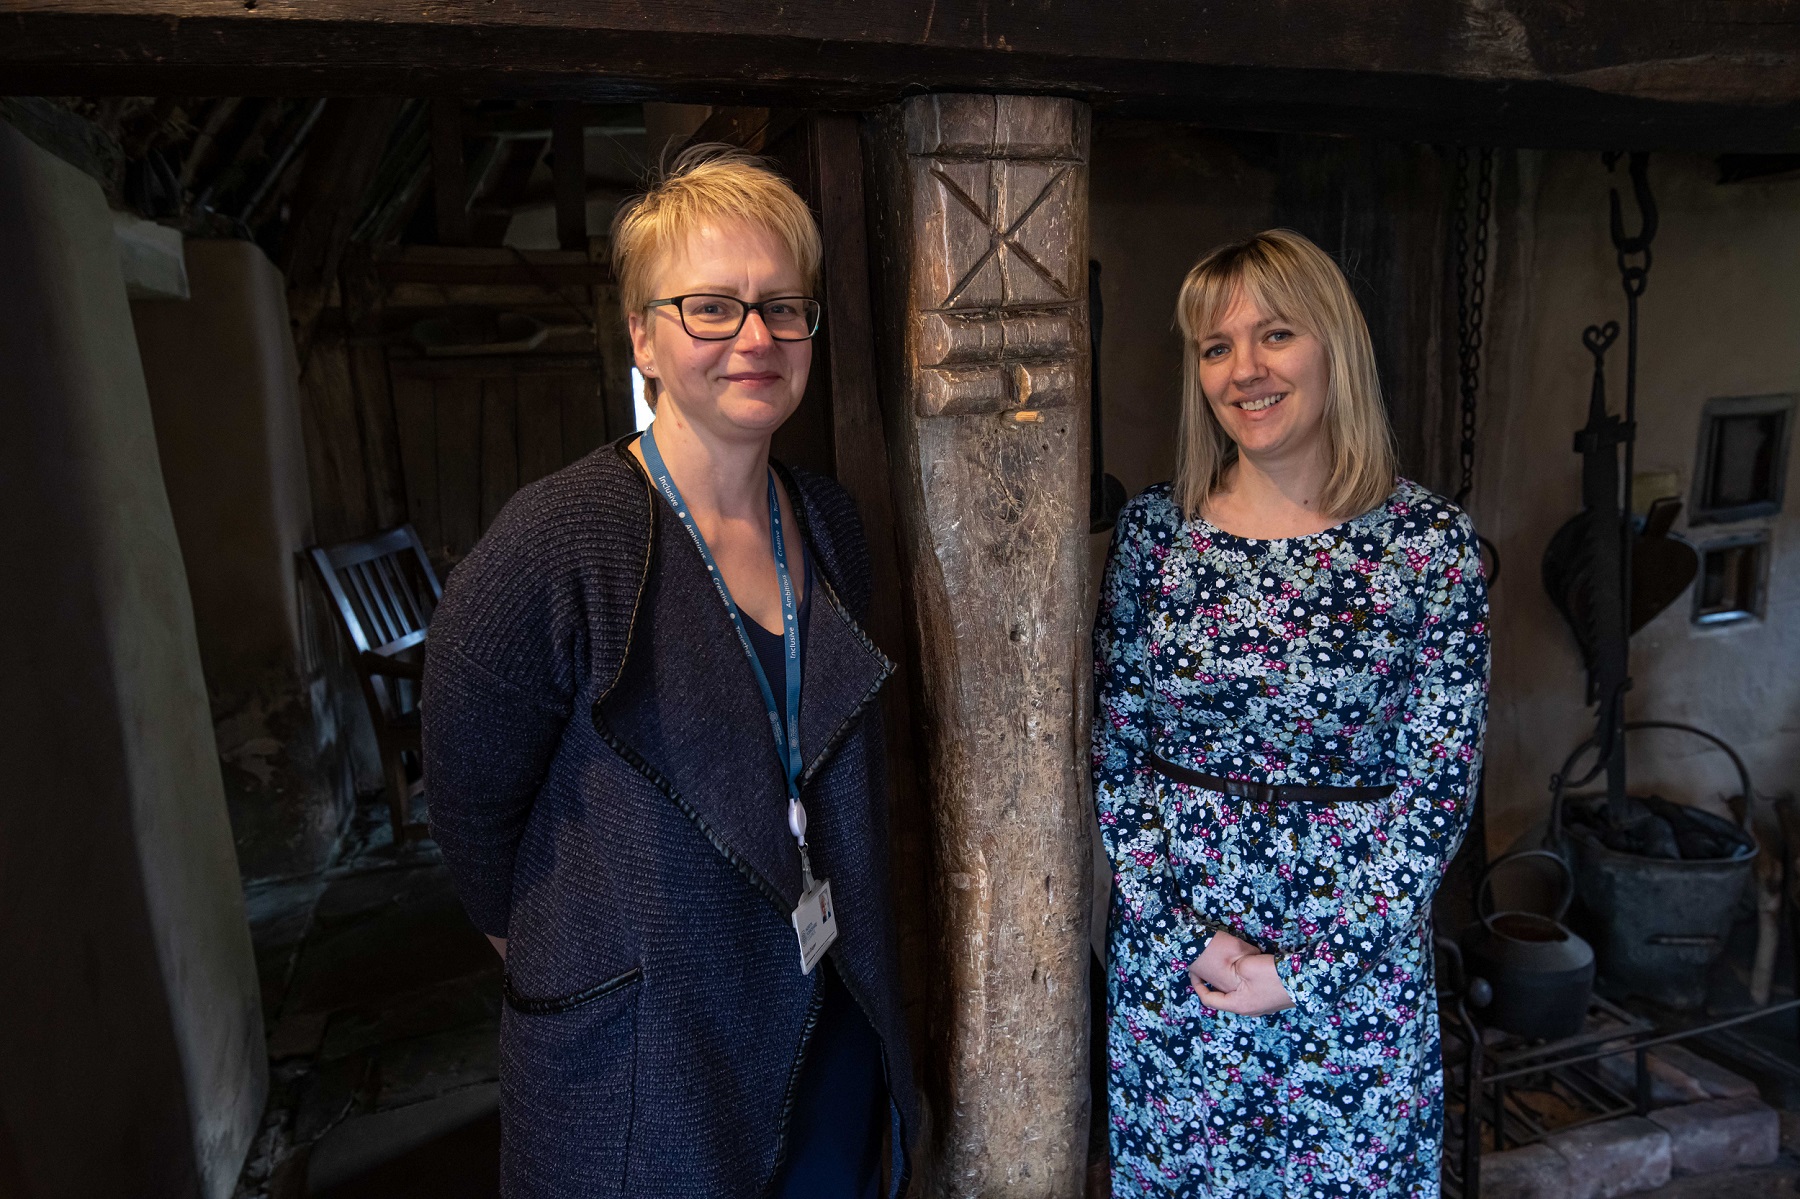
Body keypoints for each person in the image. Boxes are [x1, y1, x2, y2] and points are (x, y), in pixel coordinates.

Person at [423, 145, 916, 1199]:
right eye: (712, 307)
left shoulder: (825, 522)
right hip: (654, 1061)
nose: (756, 336)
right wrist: (588, 963)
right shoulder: (559, 539)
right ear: (642, 335)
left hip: (824, 1018)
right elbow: (470, 807)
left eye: (785, 307)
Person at [1093, 229, 1490, 1198]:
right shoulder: (1157, 530)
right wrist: (1184, 928)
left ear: (1333, 348)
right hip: (1181, 955)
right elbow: (1116, 749)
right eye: (1216, 346)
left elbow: (1438, 787)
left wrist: (1313, 965)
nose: (1245, 369)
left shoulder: (1429, 544)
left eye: (1274, 335)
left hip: (1350, 962)